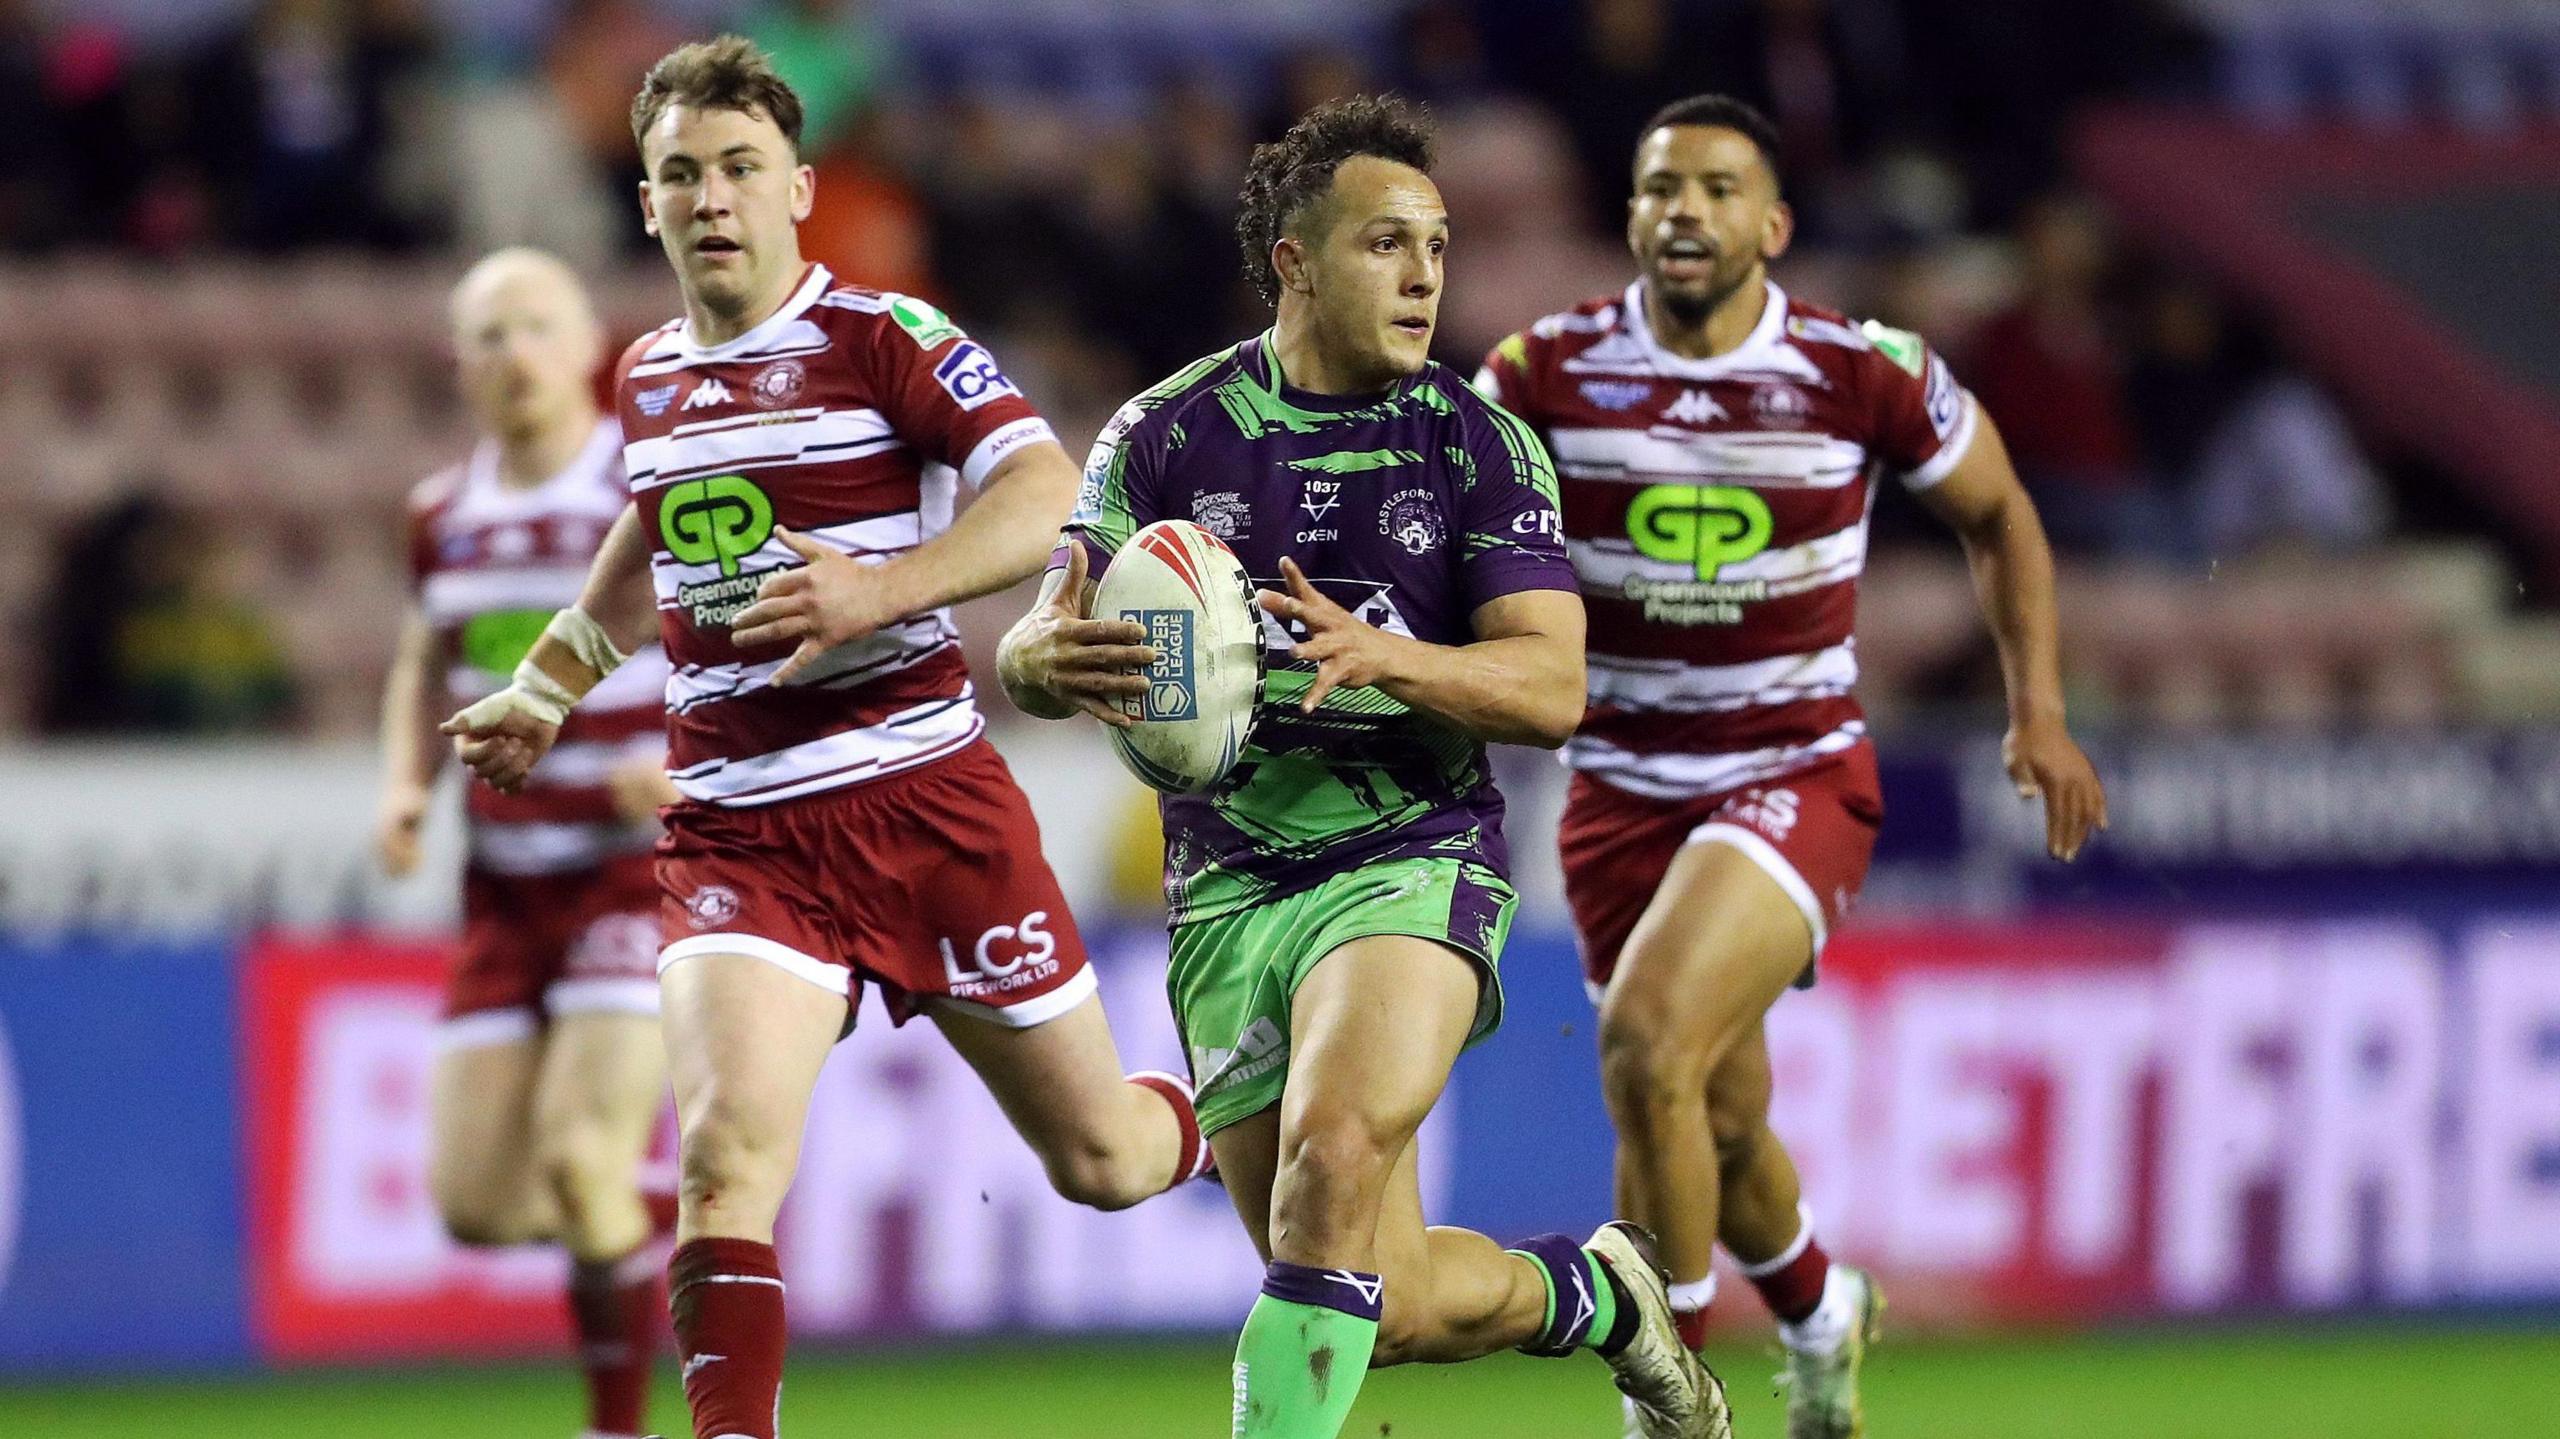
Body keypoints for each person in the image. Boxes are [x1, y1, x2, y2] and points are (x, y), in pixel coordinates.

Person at [438, 38, 1209, 1439]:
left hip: (927, 802)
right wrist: (548, 682)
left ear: (799, 186)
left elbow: (1043, 488)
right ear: (649, 201)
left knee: (1104, 1156)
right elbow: (650, 526)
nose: (712, 197)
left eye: (739, 168)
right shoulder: (650, 375)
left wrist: (882, 585)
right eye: (681, 174)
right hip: (737, 824)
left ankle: (1220, 1100)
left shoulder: (883, 335)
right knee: (727, 1156)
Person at [1000, 96, 1729, 1439]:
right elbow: (1042, 632)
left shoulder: (1475, 445)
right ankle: (1606, 1294)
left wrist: (1396, 661)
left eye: (1437, 247)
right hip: (1225, 888)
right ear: (1294, 259)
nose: (1422, 274)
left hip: (1409, 857)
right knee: (1375, 1303)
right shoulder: (1163, 434)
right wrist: (1047, 664)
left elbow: (1554, 687)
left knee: (1332, 1159)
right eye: (1387, 243)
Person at [1476, 95, 2109, 1439]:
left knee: (1645, 1043)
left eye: (1716, 188)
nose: (1684, 211)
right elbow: (1451, 533)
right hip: (1617, 791)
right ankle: (1822, 1309)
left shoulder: (1859, 368)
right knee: (1715, 1116)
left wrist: (2036, 708)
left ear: (1773, 224)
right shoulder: (1543, 370)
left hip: (1793, 772)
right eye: (1660, 189)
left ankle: (1673, 1400)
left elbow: (2000, 513)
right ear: (1632, 216)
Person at [376, 246, 678, 1439]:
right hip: (504, 886)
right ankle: (658, 1219)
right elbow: (420, 657)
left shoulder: (639, 485)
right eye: (488, 333)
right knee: (475, 1206)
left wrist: (682, 763)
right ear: (458, 362)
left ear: (589, 341)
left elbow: (735, 627)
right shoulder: (439, 515)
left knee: (578, 1158)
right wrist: (403, 786)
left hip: (634, 871)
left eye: (535, 325)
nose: (514, 353)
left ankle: (616, 1423)